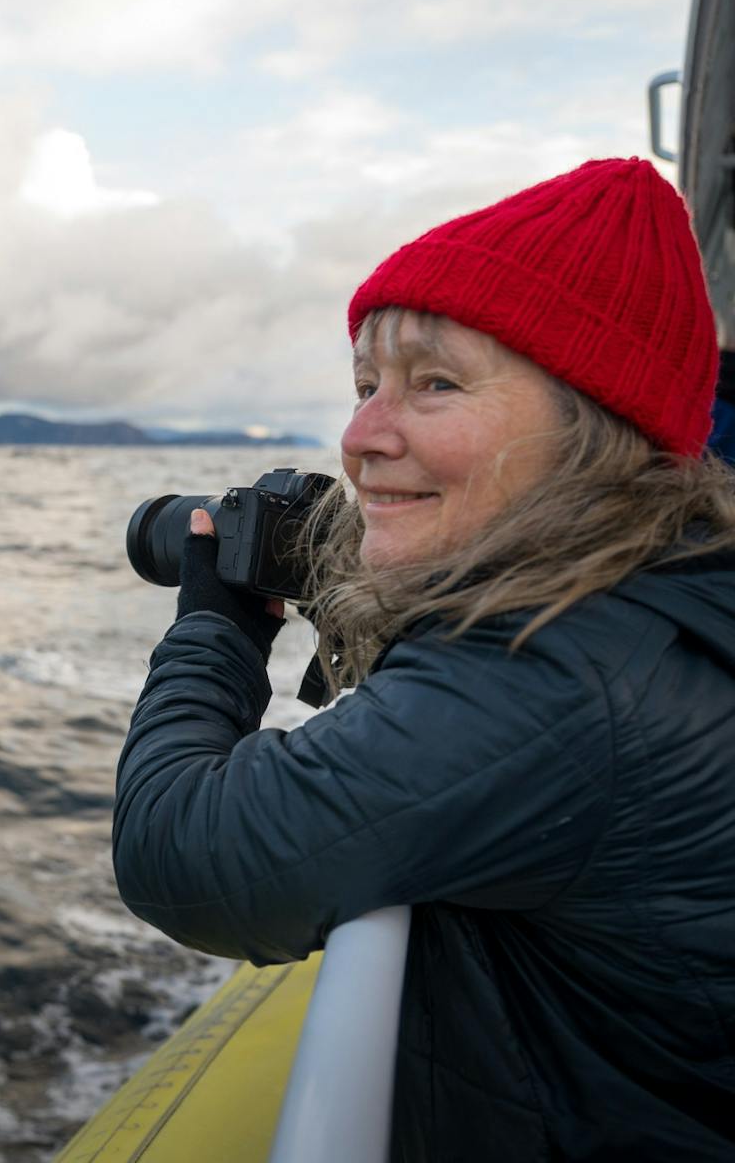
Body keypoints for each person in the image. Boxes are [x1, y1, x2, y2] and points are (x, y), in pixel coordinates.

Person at [112, 157, 735, 1161]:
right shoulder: (663, 593)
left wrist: (216, 620)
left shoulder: (553, 672)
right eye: (364, 386)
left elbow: (181, 852)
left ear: (593, 426)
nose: (359, 439)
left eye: (433, 384)